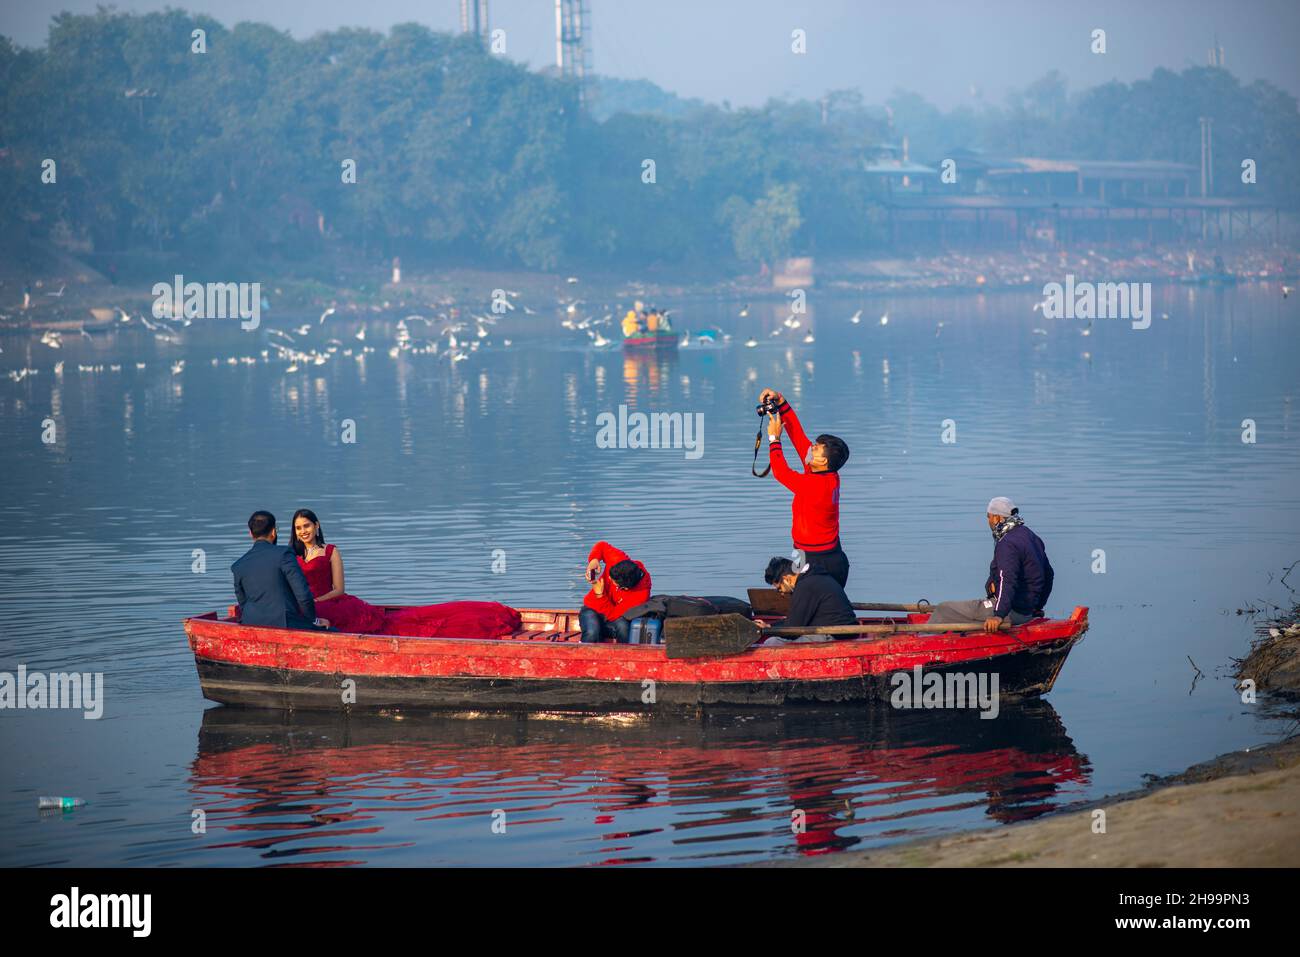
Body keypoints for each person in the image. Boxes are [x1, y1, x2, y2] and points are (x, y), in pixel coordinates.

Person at [759, 388, 852, 587]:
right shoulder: (825, 472)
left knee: (815, 607)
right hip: (817, 553)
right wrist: (781, 403)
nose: (810, 448)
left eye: (816, 448)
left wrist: (774, 439)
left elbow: (781, 472)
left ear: (823, 460)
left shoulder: (815, 485)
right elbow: (798, 437)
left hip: (818, 559)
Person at [927, 497, 1054, 632]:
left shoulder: (1007, 543)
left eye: (988, 517)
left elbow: (1007, 580)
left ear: (996, 518)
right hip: (1026, 610)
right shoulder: (1031, 536)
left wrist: (998, 615)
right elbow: (1048, 575)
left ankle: (920, 644)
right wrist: (1037, 607)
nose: (988, 521)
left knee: (943, 609)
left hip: (1011, 611)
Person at [290, 508, 387, 634]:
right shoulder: (290, 554)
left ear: (316, 525)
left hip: (327, 603)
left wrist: (317, 601)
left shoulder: (331, 551)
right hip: (302, 606)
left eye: (306, 526)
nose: (303, 531)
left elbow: (339, 589)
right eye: (298, 528)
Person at [231, 510, 325, 629]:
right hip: (285, 624)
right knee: (333, 629)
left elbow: (243, 604)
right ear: (274, 532)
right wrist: (313, 621)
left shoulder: (238, 565)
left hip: (251, 624)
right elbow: (304, 596)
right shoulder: (284, 554)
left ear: (250, 533)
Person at [763, 555, 858, 638]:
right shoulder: (815, 576)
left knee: (771, 642)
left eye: (779, 588)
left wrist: (768, 631)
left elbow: (793, 630)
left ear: (786, 579)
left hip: (836, 635)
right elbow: (794, 621)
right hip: (846, 629)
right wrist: (769, 626)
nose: (782, 593)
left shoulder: (805, 586)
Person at [580, 541, 652, 643]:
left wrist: (600, 595)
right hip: (592, 608)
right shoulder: (618, 559)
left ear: (625, 588)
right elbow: (601, 545)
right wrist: (594, 560)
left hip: (614, 616)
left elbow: (613, 615)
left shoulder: (640, 595)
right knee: (592, 633)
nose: (609, 579)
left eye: (613, 582)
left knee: (623, 628)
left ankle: (624, 655)